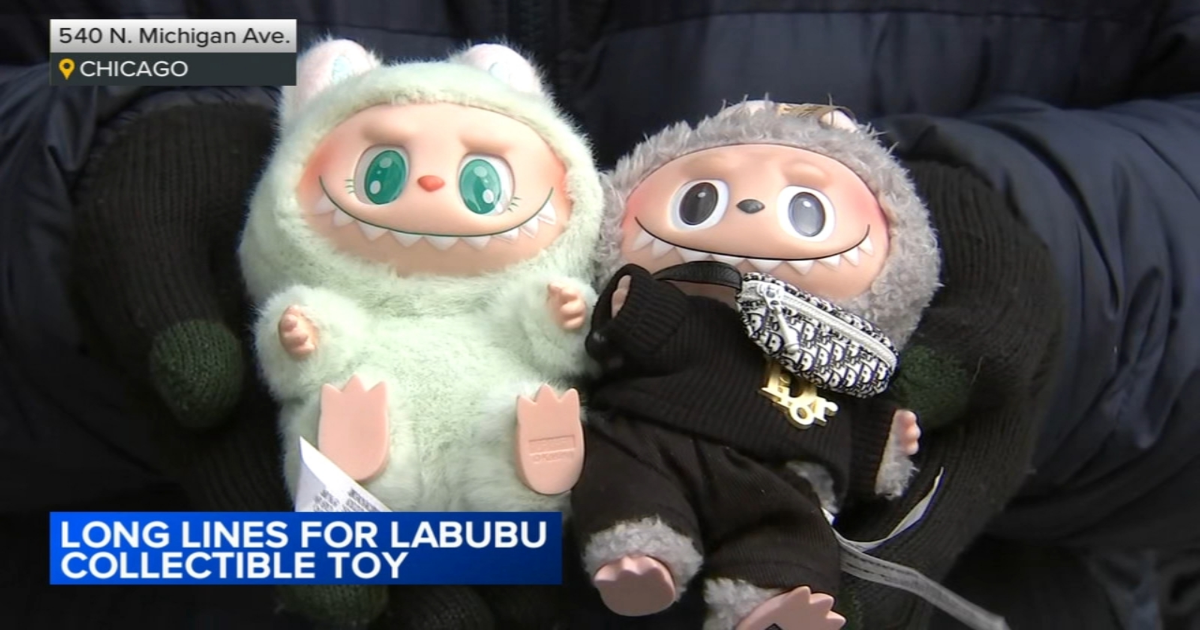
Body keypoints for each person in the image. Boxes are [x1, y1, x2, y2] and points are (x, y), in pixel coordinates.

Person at [1, 2, 1197, 629]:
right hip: (148, 584)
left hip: (948, 546)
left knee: (734, 525)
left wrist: (1028, 264)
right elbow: (67, 51)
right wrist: (107, 170)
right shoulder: (249, 83)